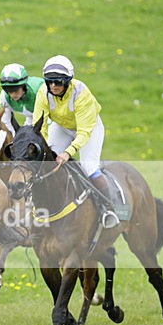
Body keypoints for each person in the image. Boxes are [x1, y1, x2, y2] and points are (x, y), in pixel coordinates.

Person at [34, 54, 119, 228]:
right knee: (47, 163)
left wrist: (67, 153)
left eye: (58, 82)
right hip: (61, 127)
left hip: (89, 128)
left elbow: (84, 132)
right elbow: (39, 126)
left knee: (89, 167)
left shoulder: (81, 94)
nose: (53, 86)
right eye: (49, 81)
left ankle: (108, 209)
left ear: (68, 81)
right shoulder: (43, 93)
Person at [0, 63, 45, 135]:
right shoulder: (4, 96)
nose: (12, 94)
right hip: (31, 119)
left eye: (15, 89)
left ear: (24, 85)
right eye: (8, 90)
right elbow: (6, 121)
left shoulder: (40, 90)